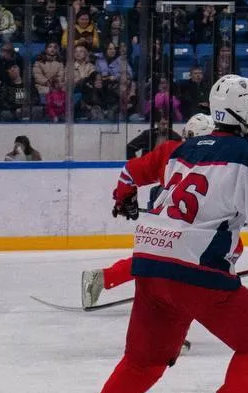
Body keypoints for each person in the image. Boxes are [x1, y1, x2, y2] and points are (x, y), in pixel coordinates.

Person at [61, 76, 248, 393]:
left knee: (143, 361)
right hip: (197, 272)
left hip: (150, 265)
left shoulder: (185, 149)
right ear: (247, 112)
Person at [79, 114, 217, 308]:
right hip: (184, 221)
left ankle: (103, 278)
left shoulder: (172, 150)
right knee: (174, 259)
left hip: (178, 218)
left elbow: (129, 173)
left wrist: (124, 199)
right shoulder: (214, 161)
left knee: (156, 259)